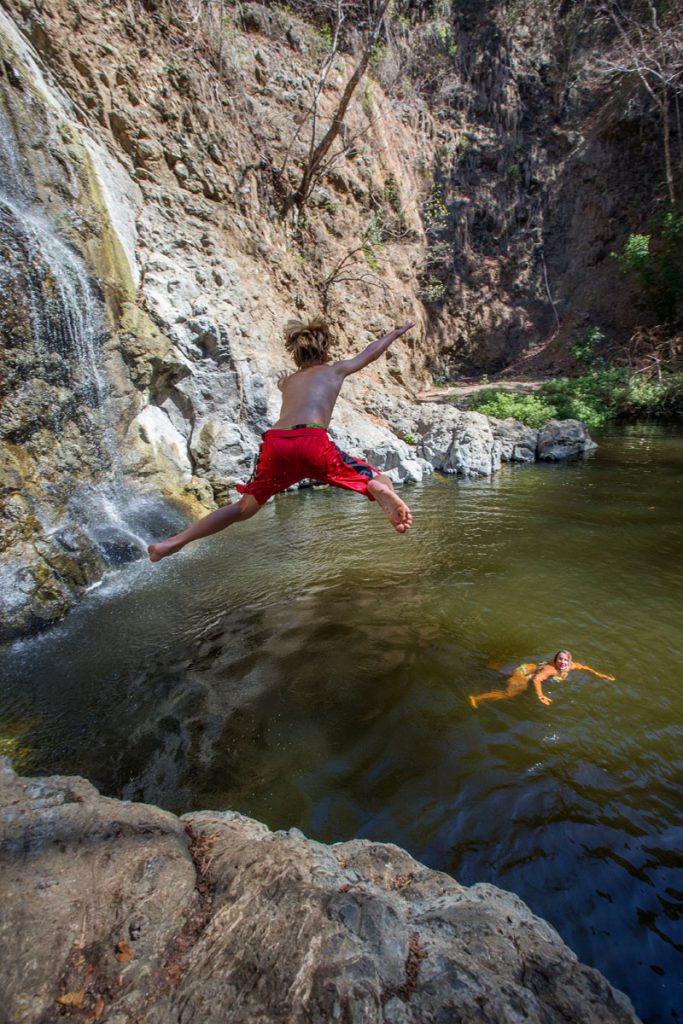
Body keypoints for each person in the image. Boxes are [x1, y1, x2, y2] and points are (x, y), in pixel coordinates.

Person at [148, 318, 415, 561]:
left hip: (276, 444)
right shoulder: (334, 371)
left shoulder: (289, 381)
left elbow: (286, 386)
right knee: (378, 478)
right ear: (325, 353)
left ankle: (174, 542)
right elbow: (370, 353)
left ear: (297, 355)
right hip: (312, 440)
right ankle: (380, 490)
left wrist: (282, 382)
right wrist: (395, 333)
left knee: (243, 509)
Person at [468, 649, 616, 709]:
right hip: (525, 674)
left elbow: (585, 667)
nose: (562, 662)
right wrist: (541, 695)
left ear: (569, 661)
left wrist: (601, 675)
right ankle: (476, 698)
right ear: (555, 659)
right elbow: (537, 679)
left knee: (500, 671)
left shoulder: (571, 666)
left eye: (565, 660)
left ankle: (491, 663)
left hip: (528, 668)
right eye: (560, 659)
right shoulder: (551, 669)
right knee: (510, 694)